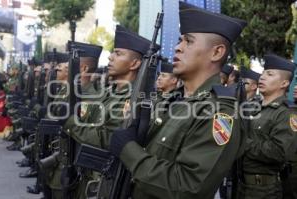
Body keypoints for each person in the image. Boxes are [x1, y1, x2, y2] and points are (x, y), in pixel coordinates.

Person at [108, 2, 247, 199]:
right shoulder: (172, 101)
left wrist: (129, 150)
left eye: (188, 42)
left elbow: (188, 186)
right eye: (180, 41)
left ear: (217, 52)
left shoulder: (219, 113)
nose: (178, 48)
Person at [63, 25, 154, 199]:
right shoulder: (109, 93)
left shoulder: (132, 100)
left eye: (118, 53)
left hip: (105, 185)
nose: (110, 57)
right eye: (113, 52)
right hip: (87, 177)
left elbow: (106, 139)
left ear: (135, 63)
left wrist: (70, 122)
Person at [237, 54, 296, 199]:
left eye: (269, 74)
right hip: (241, 185)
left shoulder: (287, 113)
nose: (262, 77)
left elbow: (279, 152)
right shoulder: (254, 108)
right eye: (263, 73)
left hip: (264, 191)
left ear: (284, 83)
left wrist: (242, 142)